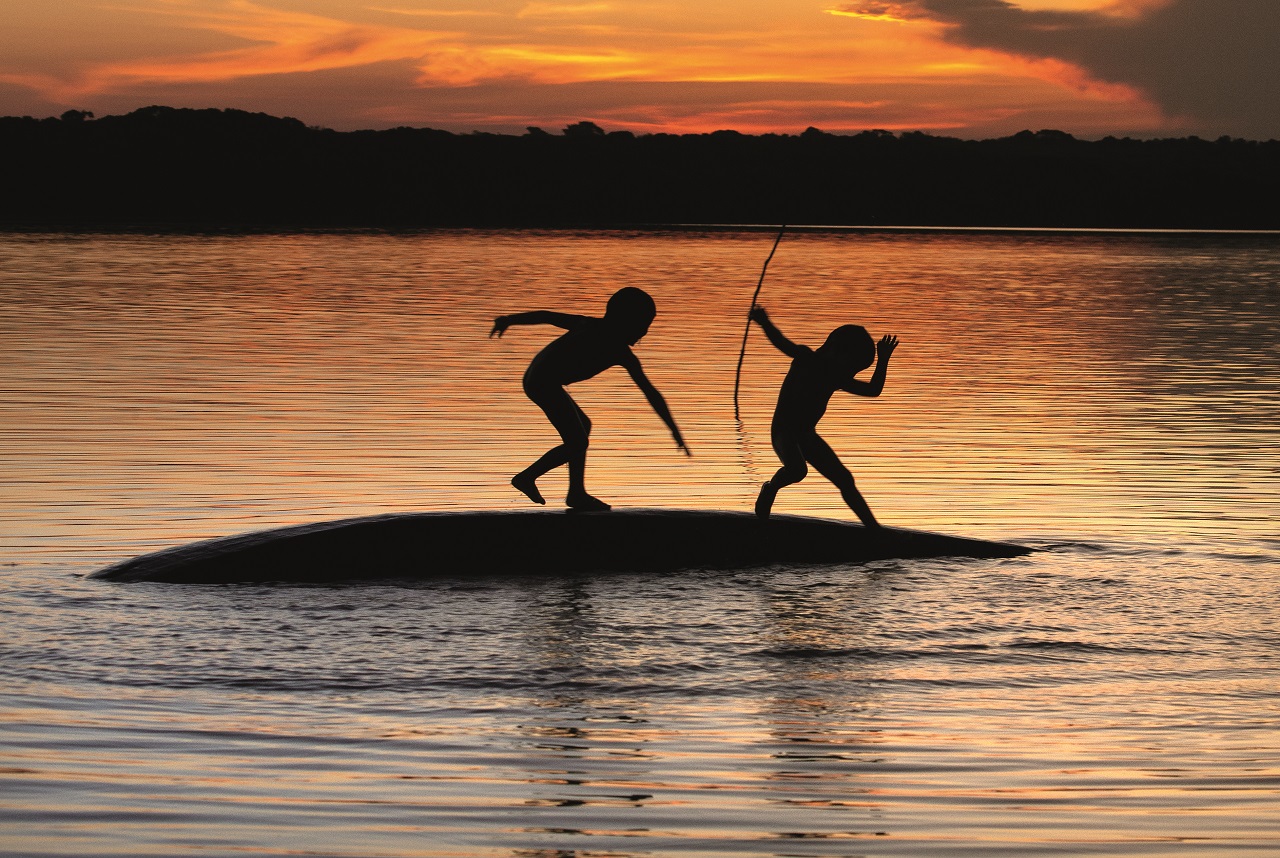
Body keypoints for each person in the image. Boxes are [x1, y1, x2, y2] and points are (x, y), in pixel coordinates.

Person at [490, 287, 689, 511]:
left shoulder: (617, 349)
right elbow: (546, 316)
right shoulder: (591, 329)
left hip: (544, 380)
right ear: (626, 320)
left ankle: (576, 493)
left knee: (583, 427)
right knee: (578, 441)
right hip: (541, 381)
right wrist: (509, 320)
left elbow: (650, 392)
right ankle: (527, 478)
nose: (644, 333)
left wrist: (672, 427)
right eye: (642, 325)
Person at [749, 305, 898, 527]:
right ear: (836, 351)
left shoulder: (835, 375)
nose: (852, 374)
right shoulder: (806, 358)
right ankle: (770, 488)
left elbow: (873, 390)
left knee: (845, 480)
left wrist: (884, 360)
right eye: (853, 367)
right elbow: (782, 343)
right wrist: (764, 322)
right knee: (797, 469)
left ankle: (874, 529)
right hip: (784, 432)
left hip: (806, 436)